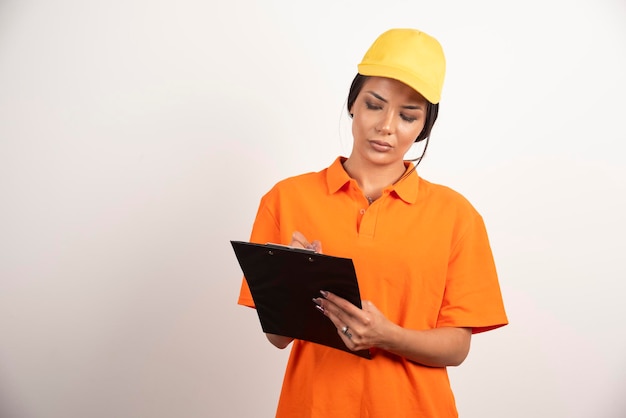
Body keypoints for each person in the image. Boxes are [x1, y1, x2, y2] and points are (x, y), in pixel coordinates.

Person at [237, 28, 508, 417]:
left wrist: (388, 336)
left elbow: (457, 348)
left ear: (423, 128)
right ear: (352, 104)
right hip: (313, 407)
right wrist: (290, 281)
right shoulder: (286, 199)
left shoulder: (457, 216)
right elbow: (276, 338)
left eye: (408, 115)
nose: (386, 126)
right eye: (374, 105)